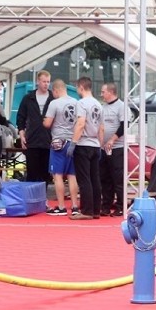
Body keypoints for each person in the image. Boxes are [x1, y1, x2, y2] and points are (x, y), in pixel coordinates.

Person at [67, 76, 104, 220]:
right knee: (95, 178)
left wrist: (73, 142)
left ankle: (87, 210)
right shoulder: (99, 105)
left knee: (84, 179)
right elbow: (101, 128)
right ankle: (96, 210)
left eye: (77, 88)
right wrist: (100, 145)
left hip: (83, 144)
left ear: (81, 87)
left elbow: (81, 124)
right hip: (95, 144)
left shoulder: (81, 103)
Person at [43, 79, 81, 216]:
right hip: (73, 141)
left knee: (57, 175)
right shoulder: (76, 102)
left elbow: (47, 123)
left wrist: (43, 121)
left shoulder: (54, 103)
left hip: (58, 142)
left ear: (56, 90)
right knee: (72, 175)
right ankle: (75, 206)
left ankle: (61, 206)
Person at [16, 70, 53, 184]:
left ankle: (43, 198)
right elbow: (20, 118)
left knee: (45, 174)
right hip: (32, 140)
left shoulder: (53, 98)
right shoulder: (28, 98)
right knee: (32, 173)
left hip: (48, 140)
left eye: (48, 82)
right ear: (38, 81)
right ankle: (31, 199)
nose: (46, 84)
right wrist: (22, 135)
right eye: (43, 81)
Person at [99, 82, 126, 217]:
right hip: (104, 148)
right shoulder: (103, 107)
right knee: (105, 178)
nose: (101, 94)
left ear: (110, 92)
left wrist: (112, 139)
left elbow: (123, 126)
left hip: (117, 148)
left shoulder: (121, 106)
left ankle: (121, 206)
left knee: (117, 178)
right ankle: (106, 205)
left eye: (103, 92)